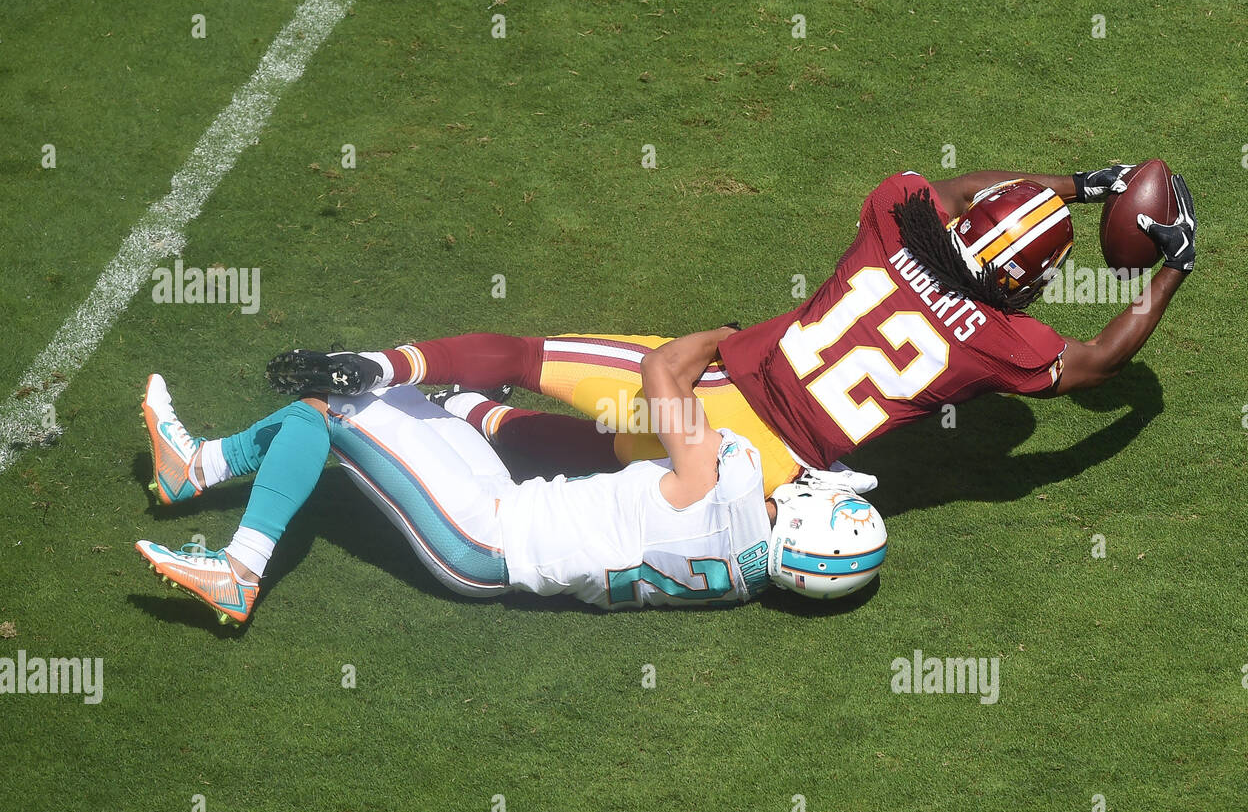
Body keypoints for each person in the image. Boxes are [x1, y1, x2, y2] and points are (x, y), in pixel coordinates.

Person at [265, 164, 1197, 496]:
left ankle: (385, 366)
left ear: (969, 222)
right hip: (775, 474)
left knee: (529, 355)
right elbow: (1098, 362)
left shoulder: (893, 218)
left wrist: (1079, 182)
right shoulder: (999, 343)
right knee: (602, 459)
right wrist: (1171, 265)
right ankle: (476, 425)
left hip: (722, 381)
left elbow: (947, 189)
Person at [136, 329, 887, 625]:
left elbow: (663, 370)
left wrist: (737, 338)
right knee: (393, 397)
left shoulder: (726, 482)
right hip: (509, 517)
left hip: (482, 534)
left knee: (331, 400)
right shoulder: (749, 576)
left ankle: (240, 568)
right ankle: (191, 468)